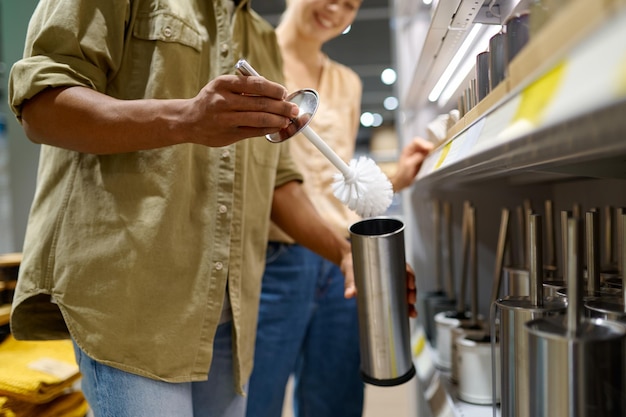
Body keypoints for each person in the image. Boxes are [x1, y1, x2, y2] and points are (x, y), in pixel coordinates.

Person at [7, 1, 417, 416]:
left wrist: (345, 252)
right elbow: (41, 105)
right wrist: (186, 118)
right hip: (132, 304)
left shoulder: (259, 37)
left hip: (226, 314)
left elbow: (277, 178)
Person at [246, 1, 434, 417]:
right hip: (274, 256)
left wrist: (397, 174)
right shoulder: (253, 59)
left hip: (342, 260)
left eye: (350, 5)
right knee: (254, 398)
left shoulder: (346, 82)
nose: (336, 8)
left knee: (335, 400)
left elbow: (338, 171)